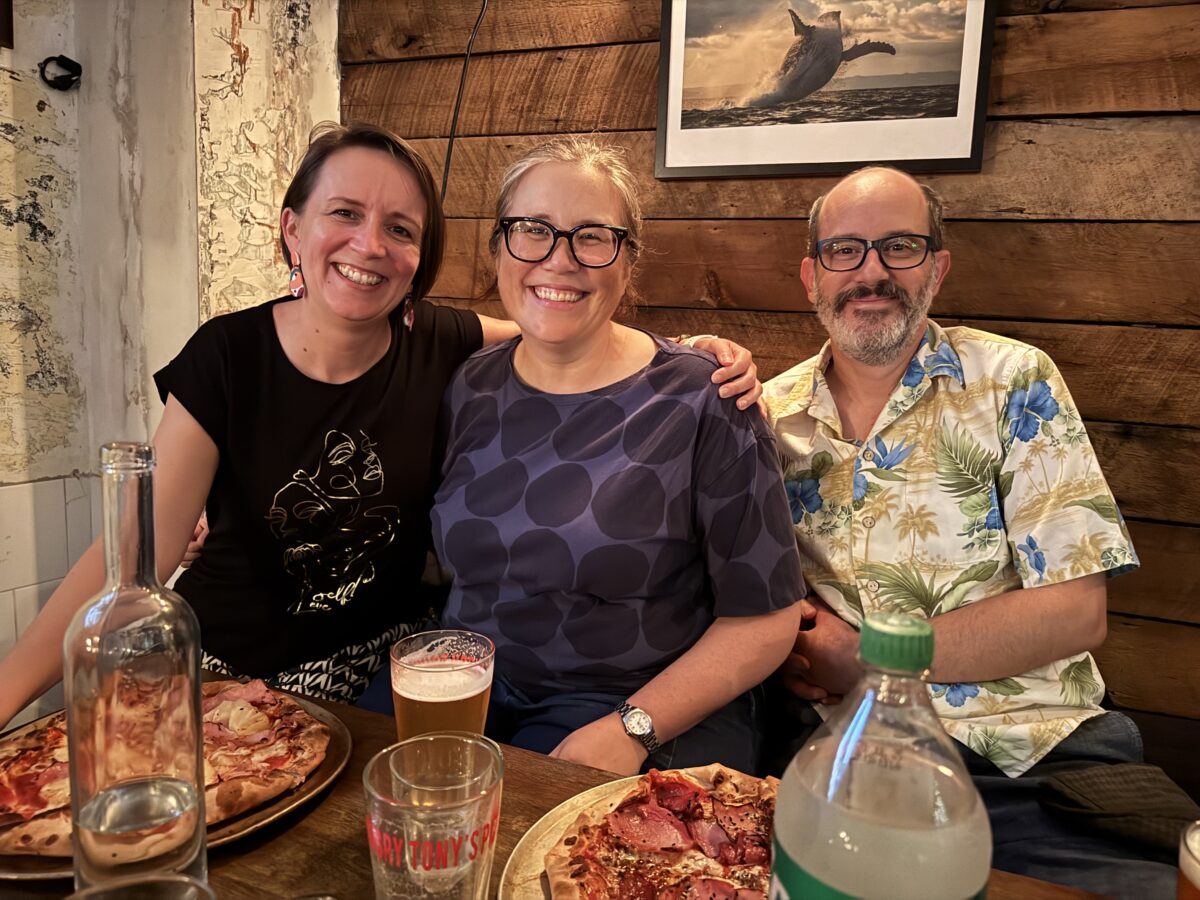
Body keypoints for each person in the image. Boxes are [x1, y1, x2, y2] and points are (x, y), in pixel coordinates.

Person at [0, 122, 761, 726]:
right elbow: (131, 558)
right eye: (344, 214)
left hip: (386, 668)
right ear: (293, 230)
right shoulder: (229, 356)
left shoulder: (445, 344)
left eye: (399, 228)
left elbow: (554, 317)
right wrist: (8, 696)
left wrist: (692, 352)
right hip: (233, 670)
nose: (370, 245)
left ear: (420, 255)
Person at [762, 166, 1177, 896]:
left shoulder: (1015, 381)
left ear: (938, 267)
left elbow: (1076, 612)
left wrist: (864, 659)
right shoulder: (769, 413)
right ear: (810, 275)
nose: (872, 273)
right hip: (841, 759)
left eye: (900, 247)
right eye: (844, 251)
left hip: (1034, 755)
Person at [430, 137, 805, 776]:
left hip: (640, 704)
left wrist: (633, 727)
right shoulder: (469, 385)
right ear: (498, 248)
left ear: (628, 263)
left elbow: (768, 619)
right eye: (532, 230)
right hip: (468, 685)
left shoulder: (702, 396)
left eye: (592, 237)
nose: (560, 259)